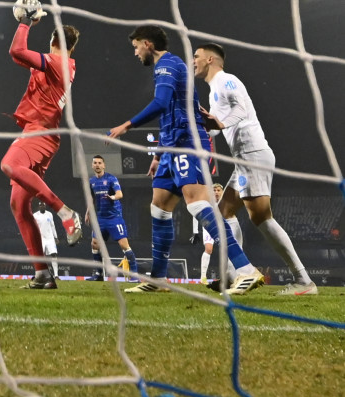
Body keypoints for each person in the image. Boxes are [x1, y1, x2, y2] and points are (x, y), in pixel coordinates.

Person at [108, 26, 263, 295]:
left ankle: (246, 270)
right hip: (172, 144)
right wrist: (158, 155)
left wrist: (127, 124)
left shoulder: (167, 64)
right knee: (158, 207)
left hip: (188, 143)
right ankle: (158, 280)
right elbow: (170, 114)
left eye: (136, 47)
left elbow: (160, 102)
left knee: (199, 206)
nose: (135, 53)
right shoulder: (168, 66)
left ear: (147, 43)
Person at [193, 43, 316, 295]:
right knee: (223, 212)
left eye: (196, 56)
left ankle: (303, 281)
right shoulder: (213, 90)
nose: (193, 60)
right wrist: (204, 123)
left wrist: (220, 122)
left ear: (210, 59)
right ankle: (232, 275)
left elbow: (241, 109)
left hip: (252, 154)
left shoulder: (226, 80)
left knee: (261, 218)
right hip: (244, 158)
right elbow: (218, 127)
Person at [1, 9, 83, 290]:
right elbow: (18, 56)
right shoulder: (63, 64)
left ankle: (65, 213)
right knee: (18, 205)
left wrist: (25, 22)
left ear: (53, 41)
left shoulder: (55, 62)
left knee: (9, 165)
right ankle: (42, 274)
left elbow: (16, 50)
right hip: (42, 133)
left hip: (40, 132)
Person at [86, 155, 138, 281]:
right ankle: (98, 274)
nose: (97, 165)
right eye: (95, 163)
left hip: (114, 217)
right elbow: (91, 198)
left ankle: (134, 275)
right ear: (92, 165)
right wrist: (88, 212)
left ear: (104, 165)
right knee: (94, 244)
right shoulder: (91, 181)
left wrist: (113, 197)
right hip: (100, 219)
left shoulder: (111, 179)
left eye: (100, 163)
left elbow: (120, 194)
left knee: (124, 245)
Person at [191, 183, 229, 283]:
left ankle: (230, 275)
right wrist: (195, 232)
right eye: (214, 190)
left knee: (229, 250)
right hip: (209, 226)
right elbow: (196, 214)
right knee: (208, 249)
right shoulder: (206, 202)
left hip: (223, 227)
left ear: (222, 192)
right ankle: (203, 277)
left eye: (218, 190)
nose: (216, 192)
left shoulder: (226, 203)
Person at [32, 201, 59, 278]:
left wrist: (55, 237)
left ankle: (56, 275)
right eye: (40, 205)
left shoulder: (49, 214)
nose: (42, 206)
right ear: (38, 206)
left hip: (50, 238)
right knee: (40, 256)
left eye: (43, 205)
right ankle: (38, 274)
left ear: (45, 206)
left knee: (54, 254)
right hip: (41, 238)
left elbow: (52, 226)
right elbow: (33, 227)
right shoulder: (35, 215)